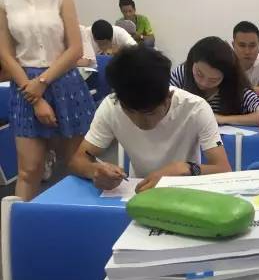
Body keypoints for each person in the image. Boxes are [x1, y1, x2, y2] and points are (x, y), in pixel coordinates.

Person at [68, 46, 231, 192]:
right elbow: (78, 159)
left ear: (168, 97)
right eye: (130, 112)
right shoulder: (111, 106)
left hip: (184, 193)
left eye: (150, 113)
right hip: (139, 192)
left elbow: (223, 169)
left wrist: (185, 168)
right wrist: (95, 170)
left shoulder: (196, 109)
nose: (141, 122)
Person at [0, 0, 96, 201]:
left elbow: (75, 49)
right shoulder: (4, 1)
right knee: (29, 170)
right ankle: (21, 221)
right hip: (25, 85)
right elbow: (6, 54)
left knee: (78, 164)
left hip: (64, 82)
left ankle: (80, 217)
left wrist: (42, 82)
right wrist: (34, 96)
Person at [170, 36, 259, 127]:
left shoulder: (235, 85)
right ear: (192, 62)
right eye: (199, 74)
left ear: (225, 77)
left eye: (213, 80)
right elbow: (163, 103)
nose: (204, 83)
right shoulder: (182, 73)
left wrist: (221, 119)